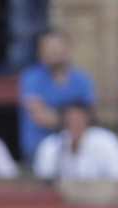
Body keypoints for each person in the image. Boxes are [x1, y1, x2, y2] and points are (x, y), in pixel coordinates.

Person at [18, 30, 95, 158]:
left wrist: (65, 123)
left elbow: (88, 115)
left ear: (68, 48)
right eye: (49, 48)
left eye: (58, 48)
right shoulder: (31, 78)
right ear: (40, 53)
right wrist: (72, 122)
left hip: (78, 145)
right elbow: (39, 115)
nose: (55, 53)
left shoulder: (82, 79)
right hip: (38, 146)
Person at [32, 101, 118, 181]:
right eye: (71, 120)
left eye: (79, 119)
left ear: (88, 119)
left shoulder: (107, 141)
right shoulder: (50, 145)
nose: (75, 124)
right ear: (63, 121)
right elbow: (44, 180)